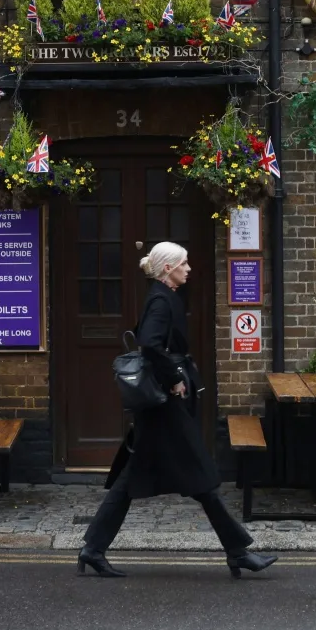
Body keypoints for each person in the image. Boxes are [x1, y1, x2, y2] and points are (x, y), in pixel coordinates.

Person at [77, 242, 280, 577]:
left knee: (134, 479)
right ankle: (238, 552)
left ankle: (93, 549)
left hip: (159, 409)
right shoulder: (160, 299)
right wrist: (173, 379)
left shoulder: (163, 296)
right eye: (184, 263)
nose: (189, 269)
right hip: (164, 406)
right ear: (168, 268)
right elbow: (150, 344)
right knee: (200, 475)